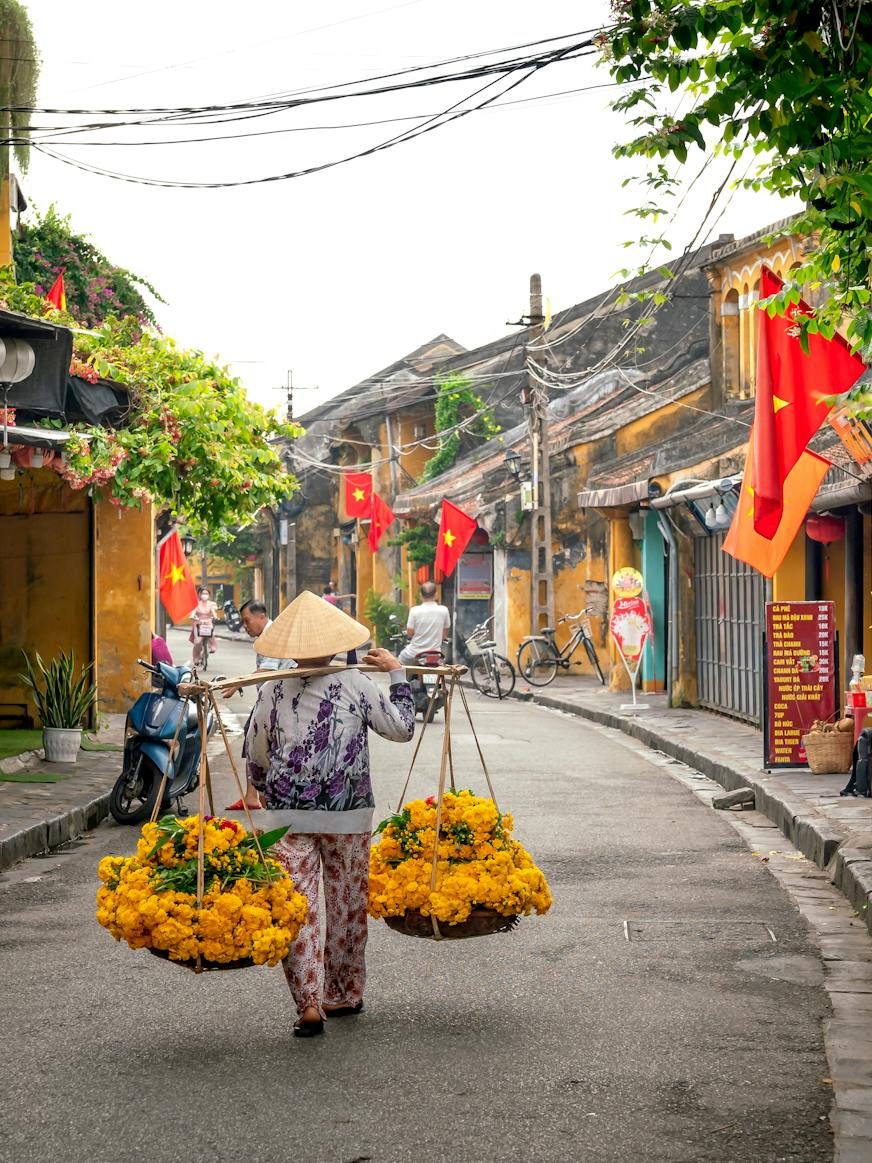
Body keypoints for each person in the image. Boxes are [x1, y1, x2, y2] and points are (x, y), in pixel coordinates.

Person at [244, 590, 414, 1038]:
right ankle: (342, 992)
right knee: (346, 907)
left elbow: (256, 752)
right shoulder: (357, 685)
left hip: (287, 817)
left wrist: (264, 790)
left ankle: (308, 1004)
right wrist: (398, 675)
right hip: (348, 815)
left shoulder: (271, 688)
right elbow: (402, 728)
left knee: (297, 908)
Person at [223, 599, 296, 810]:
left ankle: (260, 795)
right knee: (254, 740)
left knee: (258, 743)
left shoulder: (272, 636)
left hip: (278, 700)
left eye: (247, 621)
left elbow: (268, 670)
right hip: (272, 698)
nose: (245, 626)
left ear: (261, 617)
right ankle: (252, 796)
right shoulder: (269, 634)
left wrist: (237, 683)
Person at [398, 581, 450, 664]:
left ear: (420, 595)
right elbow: (445, 634)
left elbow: (410, 633)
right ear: (436, 594)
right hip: (436, 654)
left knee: (399, 661)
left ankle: (405, 677)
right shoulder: (444, 610)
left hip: (414, 653)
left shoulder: (414, 610)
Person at [189, 587, 218, 667]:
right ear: (199, 595)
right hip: (198, 623)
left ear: (209, 595)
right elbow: (192, 613)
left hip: (208, 623)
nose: (204, 595)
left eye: (206, 593)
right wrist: (193, 616)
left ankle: (212, 647)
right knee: (198, 641)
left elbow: (214, 613)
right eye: (203, 593)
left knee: (212, 634)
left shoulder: (211, 604)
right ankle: (196, 658)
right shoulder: (196, 604)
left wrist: (215, 617)